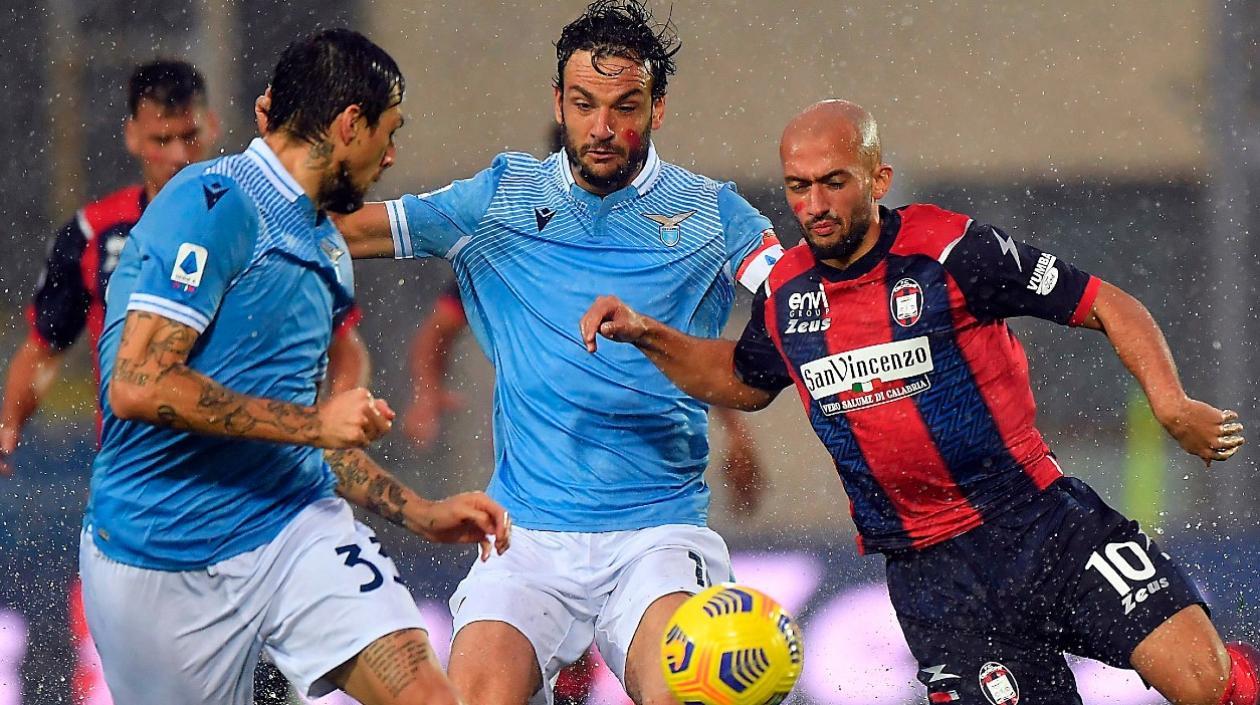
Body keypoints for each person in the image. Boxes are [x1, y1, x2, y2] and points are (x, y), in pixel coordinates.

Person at [580, 99, 1259, 705]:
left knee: (1204, 680)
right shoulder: (787, 293)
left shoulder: (952, 251)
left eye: (833, 182)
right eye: (798, 186)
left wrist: (1170, 404)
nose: (815, 205)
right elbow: (741, 379)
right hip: (934, 579)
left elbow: (1105, 302)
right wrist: (646, 334)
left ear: (878, 180)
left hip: (1040, 523)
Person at [320, 3, 785, 703]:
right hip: (526, 537)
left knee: (682, 693)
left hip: (658, 533)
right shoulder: (497, 200)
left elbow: (804, 303)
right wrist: (261, 190)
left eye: (625, 107)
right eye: (584, 104)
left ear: (657, 109)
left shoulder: (713, 214)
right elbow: (340, 232)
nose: (602, 128)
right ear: (558, 102)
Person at [80, 29, 509, 705]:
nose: (391, 156)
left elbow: (306, 438)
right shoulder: (214, 202)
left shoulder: (325, 244)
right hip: (160, 554)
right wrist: (316, 423)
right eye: (389, 133)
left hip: (293, 528)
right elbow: (138, 385)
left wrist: (420, 512)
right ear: (349, 125)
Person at [0, 59, 370, 476]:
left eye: (189, 136)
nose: (178, 155)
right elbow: (43, 350)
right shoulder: (92, 232)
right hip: (138, 472)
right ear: (132, 136)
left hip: (251, 474)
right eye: (162, 139)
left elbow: (344, 347)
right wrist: (8, 428)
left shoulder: (267, 220)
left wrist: (332, 430)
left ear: (212, 126)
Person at [404, 281, 766, 512]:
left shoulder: (648, 247)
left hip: (643, 459)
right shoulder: (514, 245)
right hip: (543, 458)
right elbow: (439, 329)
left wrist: (737, 434)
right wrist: (426, 392)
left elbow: (684, 349)